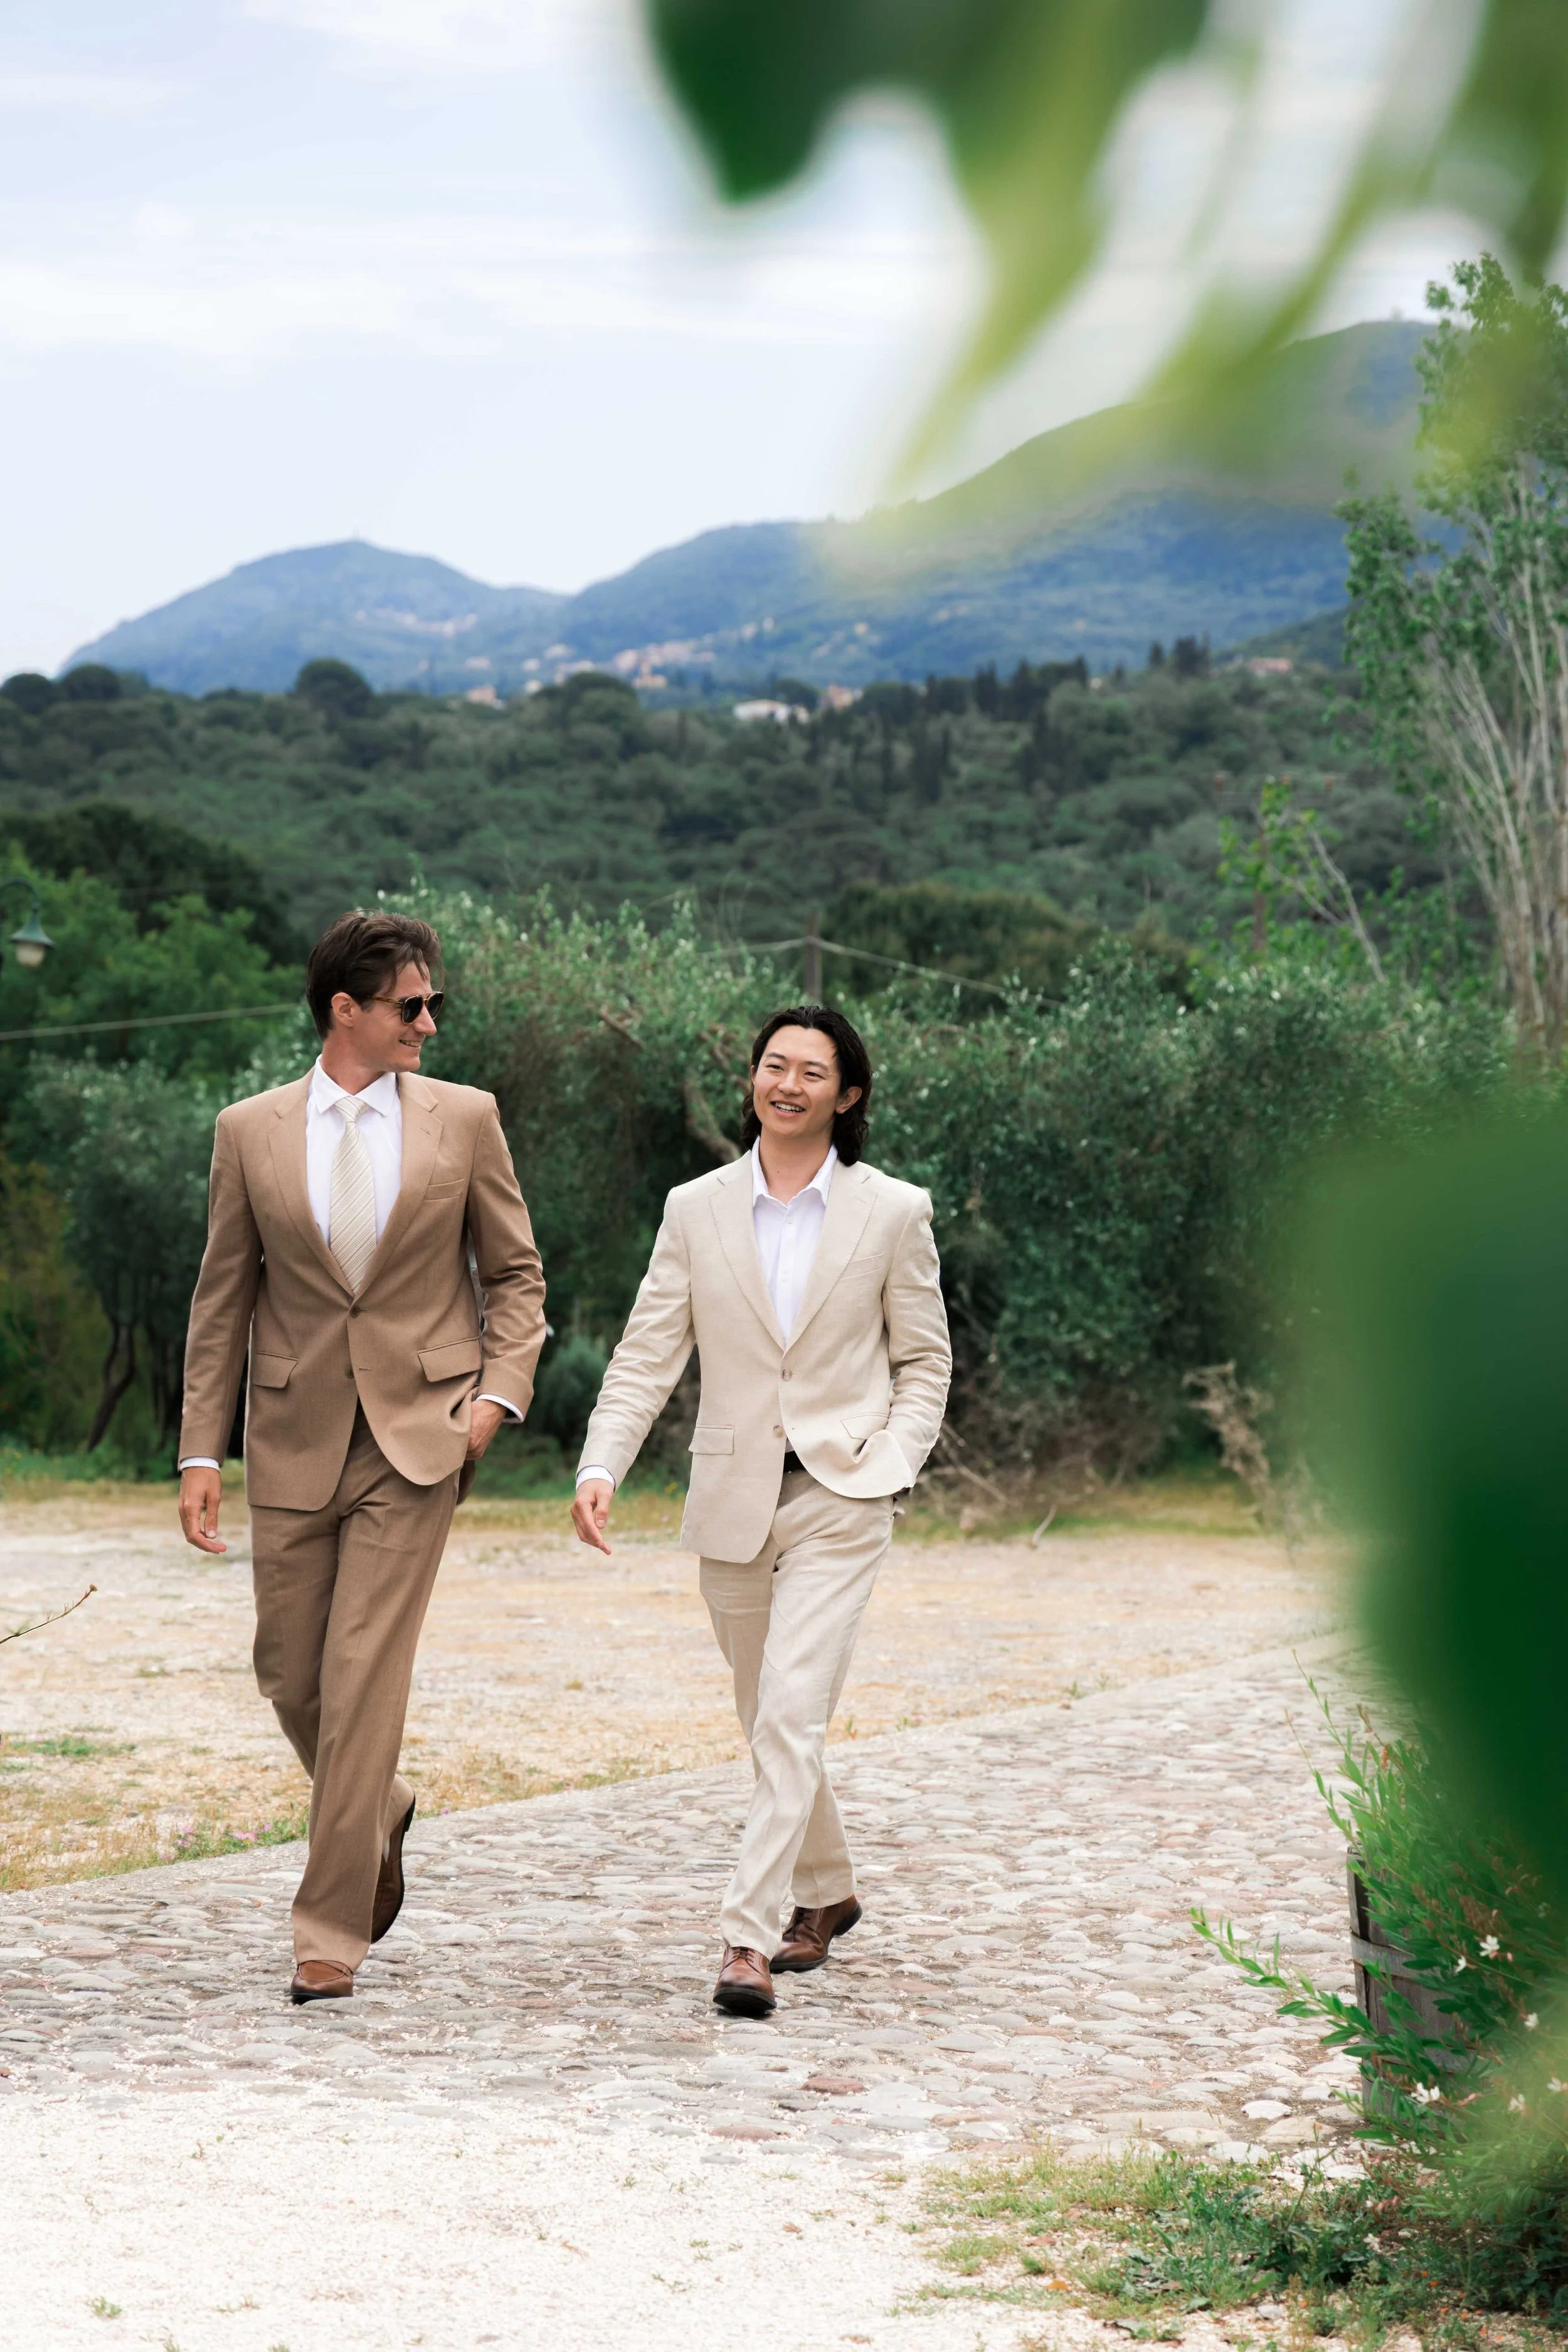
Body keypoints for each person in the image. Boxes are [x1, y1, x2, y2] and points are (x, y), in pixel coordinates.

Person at [177, 911, 546, 2005]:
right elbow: (222, 1298)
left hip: (421, 1436)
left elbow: (515, 1276)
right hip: (291, 1435)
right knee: (289, 1673)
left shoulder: (466, 1118)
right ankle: (378, 1805)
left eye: (434, 1004)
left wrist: (495, 1400)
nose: (429, 1023)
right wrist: (201, 1448)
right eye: (410, 1005)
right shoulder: (248, 1130)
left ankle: (328, 1929)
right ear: (346, 1009)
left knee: (361, 1678)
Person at [572, 1005, 950, 2018]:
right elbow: (649, 1350)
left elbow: (925, 1359)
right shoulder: (695, 1207)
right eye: (774, 1065)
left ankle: (746, 1937)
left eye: (812, 1070)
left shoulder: (893, 1210)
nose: (789, 1083)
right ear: (753, 1079)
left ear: (847, 1093)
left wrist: (892, 1461)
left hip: (842, 1493)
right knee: (766, 1717)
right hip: (732, 1492)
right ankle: (830, 1889)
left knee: (790, 1710)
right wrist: (602, 1461)